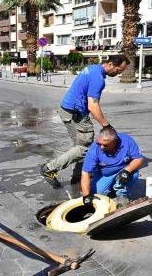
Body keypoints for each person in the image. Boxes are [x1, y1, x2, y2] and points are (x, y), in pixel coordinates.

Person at [39, 57, 129, 188]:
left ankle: (78, 175)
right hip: (76, 114)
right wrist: (106, 125)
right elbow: (93, 106)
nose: (118, 74)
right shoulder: (98, 79)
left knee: (80, 145)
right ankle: (49, 168)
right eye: (118, 70)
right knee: (86, 147)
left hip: (67, 110)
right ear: (110, 64)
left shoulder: (92, 68)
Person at [81, 127, 144, 208]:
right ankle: (112, 190)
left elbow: (138, 159)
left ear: (115, 142)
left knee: (133, 173)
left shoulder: (127, 141)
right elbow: (85, 173)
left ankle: (121, 194)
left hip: (123, 169)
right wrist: (86, 196)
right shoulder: (94, 149)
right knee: (97, 195)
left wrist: (128, 170)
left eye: (105, 145)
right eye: (99, 143)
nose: (101, 147)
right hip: (104, 174)